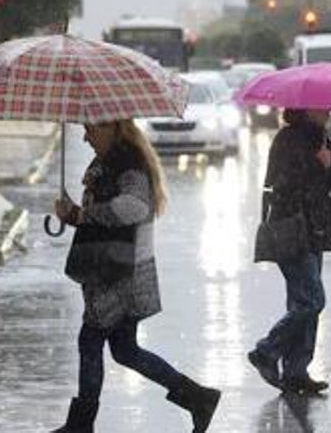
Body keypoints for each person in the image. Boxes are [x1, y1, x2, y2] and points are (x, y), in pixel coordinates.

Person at [51, 120, 220, 433]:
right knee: (124, 349)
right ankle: (197, 398)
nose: (86, 137)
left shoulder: (127, 164)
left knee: (90, 340)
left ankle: (81, 424)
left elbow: (133, 208)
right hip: (116, 266)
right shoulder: (110, 163)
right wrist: (74, 214)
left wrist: (83, 214)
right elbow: (103, 218)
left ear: (114, 128)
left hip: (120, 271)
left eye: (91, 129)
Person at [248, 108, 331, 396]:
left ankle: (296, 372)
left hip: (314, 231)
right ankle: (266, 350)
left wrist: (328, 165)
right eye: (322, 106)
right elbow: (283, 185)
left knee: (302, 302)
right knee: (312, 301)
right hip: (291, 230)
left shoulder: (320, 138)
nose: (329, 110)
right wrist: (317, 165)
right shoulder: (288, 140)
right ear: (307, 109)